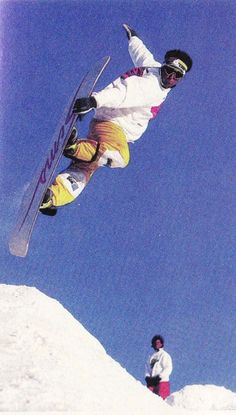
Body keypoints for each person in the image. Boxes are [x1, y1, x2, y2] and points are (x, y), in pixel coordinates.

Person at [40, 24, 192, 213]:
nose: (170, 78)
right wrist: (94, 101)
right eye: (169, 71)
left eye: (177, 76)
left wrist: (133, 38)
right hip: (113, 127)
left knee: (84, 170)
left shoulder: (153, 67)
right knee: (120, 157)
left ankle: (51, 197)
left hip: (105, 130)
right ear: (164, 67)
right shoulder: (152, 87)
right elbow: (124, 94)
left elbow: (141, 53)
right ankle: (74, 147)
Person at [145, 335, 173, 399]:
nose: (157, 344)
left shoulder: (164, 355)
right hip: (152, 383)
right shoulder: (151, 357)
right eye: (155, 343)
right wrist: (147, 377)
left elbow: (168, 368)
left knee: (162, 401)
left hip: (162, 382)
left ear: (161, 343)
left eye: (158, 342)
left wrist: (159, 377)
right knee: (149, 399)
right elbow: (147, 368)